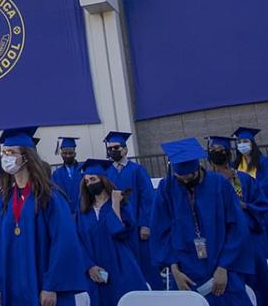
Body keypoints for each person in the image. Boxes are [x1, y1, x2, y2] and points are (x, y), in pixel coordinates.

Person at [0, 126, 87, 305]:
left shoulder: (49, 197)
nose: (6, 157)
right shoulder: (5, 201)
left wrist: (52, 285)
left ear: (26, 157)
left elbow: (63, 242)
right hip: (14, 285)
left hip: (44, 286)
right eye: (3, 153)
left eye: (11, 152)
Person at [150, 138, 250, 302]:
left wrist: (224, 267)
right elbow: (160, 231)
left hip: (222, 266)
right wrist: (174, 269)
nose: (185, 181)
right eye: (180, 177)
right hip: (184, 273)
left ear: (198, 168)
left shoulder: (219, 184)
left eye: (190, 177)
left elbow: (237, 227)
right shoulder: (167, 187)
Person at [75, 159, 147, 306]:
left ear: (103, 179)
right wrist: (89, 266)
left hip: (121, 268)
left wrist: (115, 203)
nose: (90, 184)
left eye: (93, 179)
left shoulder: (122, 205)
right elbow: (77, 241)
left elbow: (118, 231)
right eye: (87, 181)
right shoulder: (84, 212)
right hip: (95, 273)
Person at [208, 135, 268, 304]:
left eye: (221, 150)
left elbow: (262, 204)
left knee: (260, 285)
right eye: (214, 150)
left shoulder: (243, 178)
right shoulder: (208, 183)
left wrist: (246, 206)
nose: (218, 153)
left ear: (228, 153)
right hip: (225, 244)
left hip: (250, 240)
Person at [103, 130, 159, 288]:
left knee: (144, 266)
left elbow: (147, 198)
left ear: (125, 149)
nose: (113, 151)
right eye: (110, 148)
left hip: (137, 227)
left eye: (117, 148)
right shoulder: (106, 173)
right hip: (117, 226)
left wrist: (145, 224)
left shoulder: (137, 170)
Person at [233, 127, 268, 196]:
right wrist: (239, 196)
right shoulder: (236, 164)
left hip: (261, 200)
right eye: (239, 142)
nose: (242, 144)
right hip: (244, 202)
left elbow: (265, 183)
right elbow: (237, 186)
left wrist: (252, 195)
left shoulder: (264, 161)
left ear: (252, 144)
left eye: (245, 141)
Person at [53, 137, 83, 213]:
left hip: (83, 210)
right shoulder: (56, 174)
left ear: (75, 154)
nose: (68, 156)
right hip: (65, 212)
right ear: (61, 154)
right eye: (65, 153)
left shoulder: (83, 170)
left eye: (70, 153)